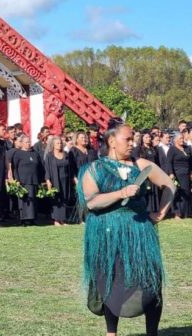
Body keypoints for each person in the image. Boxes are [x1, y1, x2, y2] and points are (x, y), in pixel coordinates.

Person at [76, 118, 175, 336]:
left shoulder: (141, 165)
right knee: (110, 281)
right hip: (106, 235)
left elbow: (168, 185)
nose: (133, 143)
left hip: (140, 234)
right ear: (112, 141)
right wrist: (121, 193)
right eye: (128, 139)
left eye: (134, 139)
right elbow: (91, 201)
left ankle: (152, 332)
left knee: (150, 281)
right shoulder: (94, 168)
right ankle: (111, 332)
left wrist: (161, 212)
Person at [11, 135, 43, 226]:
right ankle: (24, 219)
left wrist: (41, 179)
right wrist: (17, 179)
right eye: (26, 142)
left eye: (29, 142)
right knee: (24, 201)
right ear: (22, 143)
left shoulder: (35, 153)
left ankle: (32, 219)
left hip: (34, 180)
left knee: (33, 201)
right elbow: (15, 168)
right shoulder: (18, 153)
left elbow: (40, 167)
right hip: (23, 180)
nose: (28, 144)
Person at [43, 136, 75, 226]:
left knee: (65, 198)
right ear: (53, 145)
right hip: (55, 179)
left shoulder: (66, 154)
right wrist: (48, 181)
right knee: (57, 198)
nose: (60, 145)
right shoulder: (49, 155)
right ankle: (57, 219)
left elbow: (70, 167)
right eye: (57, 143)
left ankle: (63, 219)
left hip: (66, 179)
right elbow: (47, 169)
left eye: (60, 143)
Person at [132, 132, 161, 213]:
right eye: (146, 137)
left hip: (154, 173)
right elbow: (135, 162)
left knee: (154, 191)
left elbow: (157, 161)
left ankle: (154, 209)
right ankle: (146, 210)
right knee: (147, 191)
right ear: (142, 138)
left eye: (149, 137)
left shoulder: (153, 149)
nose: (149, 138)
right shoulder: (138, 149)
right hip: (144, 174)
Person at [166, 132, 191, 219]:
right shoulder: (172, 149)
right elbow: (169, 162)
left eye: (183, 138)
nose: (182, 140)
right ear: (176, 140)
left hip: (186, 174)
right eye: (180, 138)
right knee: (178, 193)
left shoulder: (187, 148)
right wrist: (171, 173)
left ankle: (186, 213)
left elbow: (190, 161)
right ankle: (177, 213)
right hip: (177, 174)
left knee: (187, 192)